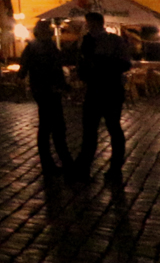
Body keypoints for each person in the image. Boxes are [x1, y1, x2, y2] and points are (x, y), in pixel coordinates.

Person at [70, 12, 133, 183]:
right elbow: (81, 65)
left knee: (112, 128)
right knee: (91, 130)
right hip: (96, 89)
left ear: (97, 23)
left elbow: (125, 64)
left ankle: (114, 167)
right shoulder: (85, 41)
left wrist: (100, 62)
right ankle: (85, 167)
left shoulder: (114, 40)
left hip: (110, 89)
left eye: (90, 23)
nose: (88, 26)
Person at [20, 21, 72, 174]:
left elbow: (24, 69)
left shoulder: (37, 46)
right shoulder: (40, 46)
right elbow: (54, 68)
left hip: (44, 90)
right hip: (46, 90)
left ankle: (56, 161)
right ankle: (58, 161)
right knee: (52, 126)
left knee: (50, 126)